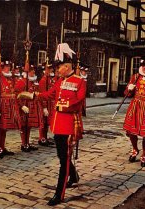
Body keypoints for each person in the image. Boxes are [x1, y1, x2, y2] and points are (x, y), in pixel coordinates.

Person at [18, 43, 86, 206]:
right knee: (62, 155)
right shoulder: (59, 81)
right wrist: (32, 95)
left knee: (63, 160)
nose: (56, 70)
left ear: (67, 66)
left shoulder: (79, 81)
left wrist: (62, 105)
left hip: (69, 125)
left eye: (59, 67)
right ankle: (74, 175)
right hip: (57, 125)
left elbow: (78, 102)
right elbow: (49, 95)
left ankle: (59, 194)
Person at [0, 60, 19, 158]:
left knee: (4, 128)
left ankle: (2, 146)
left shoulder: (9, 78)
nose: (8, 68)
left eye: (9, 66)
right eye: (6, 67)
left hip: (8, 106)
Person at [15, 64, 41, 152]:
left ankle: (27, 143)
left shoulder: (32, 82)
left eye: (33, 70)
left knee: (28, 126)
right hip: (24, 106)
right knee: (23, 125)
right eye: (31, 70)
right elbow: (17, 95)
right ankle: (23, 143)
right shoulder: (21, 82)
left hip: (31, 106)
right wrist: (21, 105)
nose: (33, 71)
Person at [38, 63, 57, 146]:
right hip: (45, 104)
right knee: (43, 122)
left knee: (47, 122)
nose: (51, 70)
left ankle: (45, 137)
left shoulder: (50, 80)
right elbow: (43, 94)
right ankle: (42, 138)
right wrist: (44, 107)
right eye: (49, 69)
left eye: (51, 69)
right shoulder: (43, 80)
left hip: (50, 104)